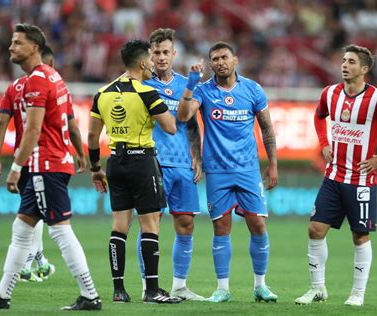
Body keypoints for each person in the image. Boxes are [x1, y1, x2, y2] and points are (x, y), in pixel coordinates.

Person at [0, 23, 101, 311]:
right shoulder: (54, 77)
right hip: (52, 163)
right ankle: (3, 294)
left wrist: (16, 167)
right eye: (11, 42)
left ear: (34, 48)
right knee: (22, 228)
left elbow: (33, 129)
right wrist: (78, 154)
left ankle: (90, 295)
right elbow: (68, 123)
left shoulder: (36, 81)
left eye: (17, 43)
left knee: (60, 230)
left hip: (44, 165)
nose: (11, 47)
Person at [295, 44, 377, 307]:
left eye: (351, 62)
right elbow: (319, 116)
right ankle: (317, 289)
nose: (344, 65)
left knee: (359, 236)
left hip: (360, 181)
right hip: (333, 176)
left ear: (364, 69)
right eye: (343, 60)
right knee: (315, 229)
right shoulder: (330, 93)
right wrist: (324, 142)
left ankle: (357, 294)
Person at [177, 41, 279, 303]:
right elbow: (185, 116)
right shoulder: (203, 90)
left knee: (257, 224)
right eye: (215, 59)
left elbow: (267, 128)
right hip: (218, 171)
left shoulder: (253, 89)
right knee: (221, 228)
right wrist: (190, 84)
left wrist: (273, 164)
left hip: (247, 170)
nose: (220, 62)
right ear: (210, 64)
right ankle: (223, 288)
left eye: (224, 57)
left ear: (235, 59)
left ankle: (260, 285)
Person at [87, 39, 181, 304]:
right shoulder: (146, 93)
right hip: (142, 162)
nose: (153, 64)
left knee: (119, 227)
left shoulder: (102, 93)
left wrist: (96, 169)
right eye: (150, 60)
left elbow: (92, 137)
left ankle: (119, 290)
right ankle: (152, 290)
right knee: (150, 226)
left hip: (114, 163)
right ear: (142, 63)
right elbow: (171, 127)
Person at [0, 45, 85, 283]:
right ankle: (34, 262)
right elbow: (70, 124)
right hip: (42, 158)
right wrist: (80, 154)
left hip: (23, 157)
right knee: (46, 220)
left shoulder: (14, 87)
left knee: (30, 213)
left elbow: (1, 123)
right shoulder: (53, 82)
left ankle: (30, 265)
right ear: (48, 64)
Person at [135, 28, 204, 301]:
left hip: (182, 164)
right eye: (156, 52)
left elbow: (191, 124)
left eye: (166, 52)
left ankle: (179, 285)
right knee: (151, 224)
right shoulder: (140, 84)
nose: (161, 57)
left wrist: (196, 156)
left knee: (186, 222)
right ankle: (147, 285)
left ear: (174, 54)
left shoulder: (187, 84)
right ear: (149, 55)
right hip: (152, 161)